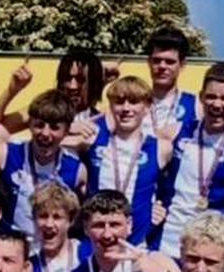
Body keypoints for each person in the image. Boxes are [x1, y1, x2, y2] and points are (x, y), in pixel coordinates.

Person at [158, 63, 224, 259]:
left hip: (212, 248)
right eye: (211, 96)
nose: (217, 104)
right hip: (169, 240)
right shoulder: (175, 132)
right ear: (201, 97)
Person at [71, 77, 175, 249]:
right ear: (111, 106)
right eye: (119, 102)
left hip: (136, 244)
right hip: (95, 243)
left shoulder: (162, 148)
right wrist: (70, 126)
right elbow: (49, 142)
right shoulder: (92, 140)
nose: (126, 108)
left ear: (147, 107)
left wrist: (160, 205)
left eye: (133, 102)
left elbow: (172, 186)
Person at [0, 89, 87, 245]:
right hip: (10, 246)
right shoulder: (6, 153)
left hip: (50, 249)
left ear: (66, 130)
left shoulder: (77, 170)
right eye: (39, 125)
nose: (45, 133)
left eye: (54, 127)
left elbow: (82, 218)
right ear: (29, 124)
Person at [28, 182, 91, 272]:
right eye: (43, 216)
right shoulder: (29, 264)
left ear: (70, 220)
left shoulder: (87, 253)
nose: (49, 224)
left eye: (57, 217)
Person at [143, 26, 198, 140]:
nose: (162, 66)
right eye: (157, 60)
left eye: (170, 62)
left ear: (182, 65)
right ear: (149, 62)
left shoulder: (196, 105)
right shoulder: (132, 102)